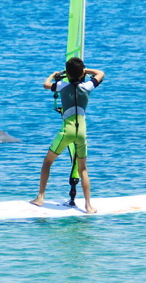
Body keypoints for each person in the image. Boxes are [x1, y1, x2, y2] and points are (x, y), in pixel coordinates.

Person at [31, 57, 105, 214]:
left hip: (67, 132)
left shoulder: (62, 85)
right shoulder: (87, 86)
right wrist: (86, 71)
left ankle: (40, 197)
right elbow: (101, 73)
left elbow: (45, 85)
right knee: (83, 169)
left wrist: (54, 74)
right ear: (81, 74)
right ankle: (88, 206)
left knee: (47, 162)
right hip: (81, 133)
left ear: (68, 74)